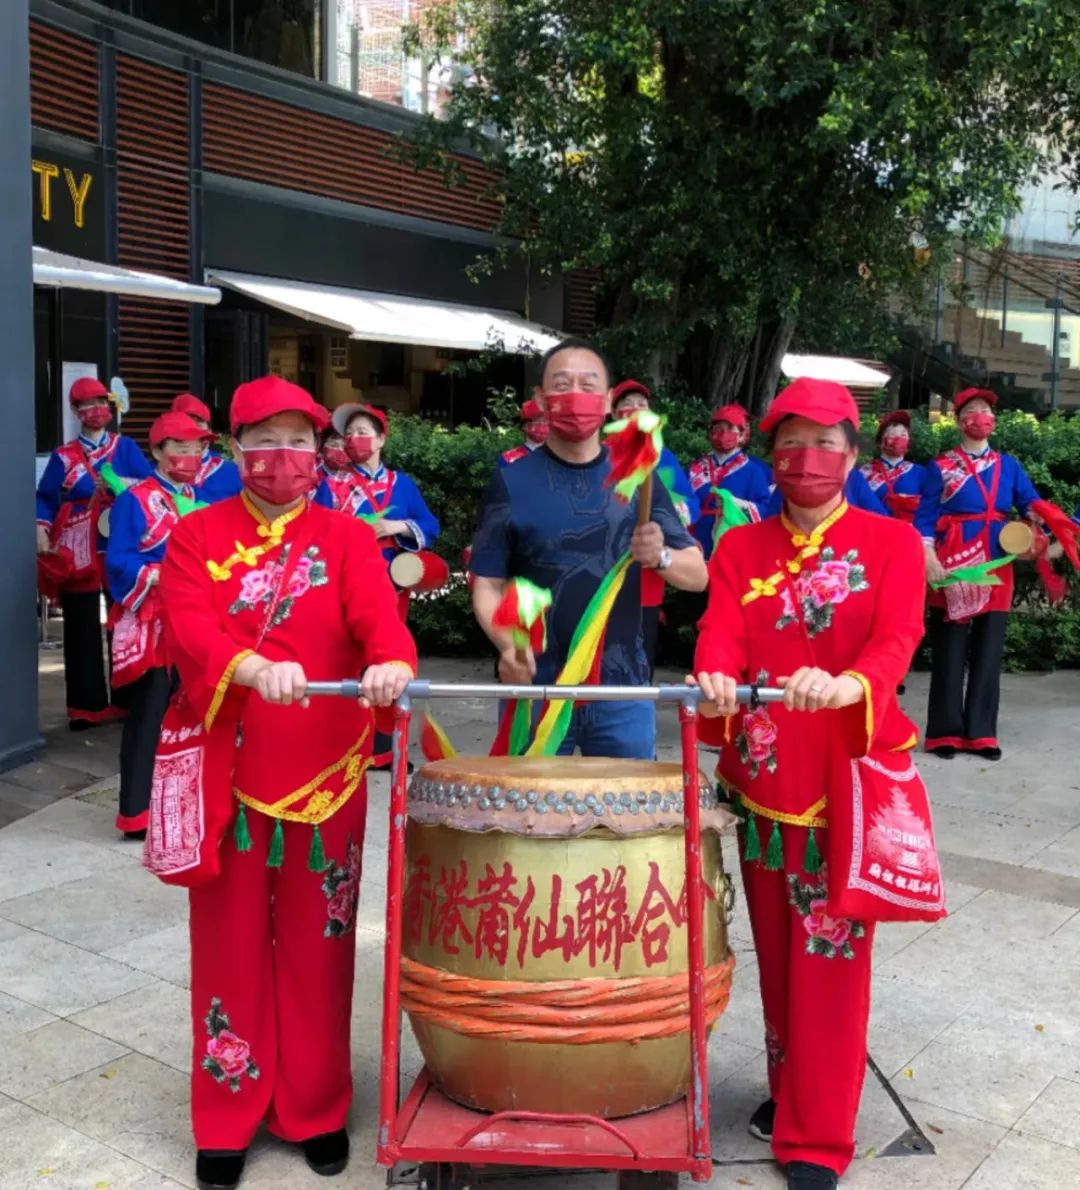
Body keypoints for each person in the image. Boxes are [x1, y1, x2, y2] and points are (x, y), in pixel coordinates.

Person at [157, 375, 417, 1190]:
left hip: (326, 772)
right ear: (236, 451)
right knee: (228, 944)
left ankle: (316, 1106)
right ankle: (227, 1112)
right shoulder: (196, 534)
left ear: (320, 452)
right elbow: (189, 622)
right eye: (265, 442)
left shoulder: (345, 537)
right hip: (229, 768)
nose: (284, 457)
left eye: (300, 442)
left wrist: (389, 663)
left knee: (321, 947)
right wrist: (249, 663)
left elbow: (378, 614)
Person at [692, 377, 930, 1190]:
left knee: (830, 964)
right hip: (764, 785)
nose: (808, 458)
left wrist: (852, 682)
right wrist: (716, 676)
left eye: (827, 441)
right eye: (792, 442)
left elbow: (900, 635)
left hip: (845, 780)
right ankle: (792, 1089)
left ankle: (818, 1137)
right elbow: (720, 630)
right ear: (771, 456)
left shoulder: (891, 543)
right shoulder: (739, 547)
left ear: (855, 454)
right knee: (781, 957)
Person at [470, 337, 707, 758]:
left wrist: (661, 557)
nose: (575, 394)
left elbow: (697, 573)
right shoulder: (511, 481)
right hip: (537, 688)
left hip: (623, 691)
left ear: (609, 400)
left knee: (628, 819)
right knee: (531, 819)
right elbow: (488, 582)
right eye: (562, 384)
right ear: (541, 399)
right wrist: (508, 645)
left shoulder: (638, 476)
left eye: (588, 383)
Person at [915, 387, 1073, 761]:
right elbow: (924, 516)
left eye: (986, 409)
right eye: (972, 410)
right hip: (954, 564)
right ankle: (944, 733)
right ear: (958, 421)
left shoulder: (1009, 466)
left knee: (988, 649)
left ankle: (981, 733)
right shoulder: (939, 467)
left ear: (994, 422)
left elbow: (1029, 501)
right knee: (950, 648)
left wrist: (1047, 520)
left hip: (997, 564)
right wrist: (927, 555)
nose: (981, 415)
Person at [105, 411, 211, 838]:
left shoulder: (202, 500)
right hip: (154, 625)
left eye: (197, 448)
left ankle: (184, 803)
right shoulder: (136, 500)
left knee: (194, 716)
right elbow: (119, 561)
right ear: (157, 451)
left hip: (195, 623)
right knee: (149, 717)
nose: (190, 455)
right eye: (180, 448)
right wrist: (160, 575)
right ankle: (137, 813)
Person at [327, 402, 439, 766]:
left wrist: (397, 527)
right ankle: (347, 744)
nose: (354, 439)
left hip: (391, 587)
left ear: (380, 440)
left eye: (363, 432)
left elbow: (430, 525)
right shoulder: (331, 484)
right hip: (344, 584)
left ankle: (384, 748)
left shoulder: (401, 484)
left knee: (389, 660)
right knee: (346, 661)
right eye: (350, 433)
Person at [36, 377, 151, 729]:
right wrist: (41, 529)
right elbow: (45, 497)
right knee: (80, 624)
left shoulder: (125, 447)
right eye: (87, 404)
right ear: (75, 411)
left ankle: (130, 698)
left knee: (124, 622)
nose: (96, 410)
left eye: (101, 401)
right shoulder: (63, 456)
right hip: (79, 549)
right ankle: (86, 707)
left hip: (119, 544)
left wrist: (119, 483)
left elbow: (149, 486)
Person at [610, 378, 701, 676]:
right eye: (627, 406)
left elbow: (689, 503)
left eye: (642, 405)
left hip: (644, 578)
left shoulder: (664, 458)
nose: (635, 411)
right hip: (590, 587)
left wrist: (664, 525)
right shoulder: (595, 455)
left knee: (635, 668)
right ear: (612, 414)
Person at [689, 405, 772, 557]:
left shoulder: (753, 471)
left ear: (741, 435)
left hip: (732, 543)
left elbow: (766, 509)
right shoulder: (697, 468)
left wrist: (736, 504)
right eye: (718, 427)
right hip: (696, 540)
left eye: (729, 427)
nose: (722, 432)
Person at [171, 394, 243, 504]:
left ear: (209, 430)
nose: (191, 429)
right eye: (184, 422)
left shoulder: (234, 473)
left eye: (198, 423)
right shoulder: (158, 473)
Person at [859, 411, 926, 521]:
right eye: (892, 434)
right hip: (874, 530)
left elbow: (928, 509)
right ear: (880, 442)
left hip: (908, 532)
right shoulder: (864, 473)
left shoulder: (920, 473)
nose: (898, 439)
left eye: (903, 435)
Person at [499, 397, 549, 466]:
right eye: (537, 421)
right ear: (525, 426)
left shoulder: (558, 458)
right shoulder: (509, 458)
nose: (542, 425)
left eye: (546, 422)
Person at [317, 428, 357, 510]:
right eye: (333, 445)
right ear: (321, 448)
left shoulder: (356, 482)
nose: (340, 450)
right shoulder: (311, 479)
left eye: (344, 447)